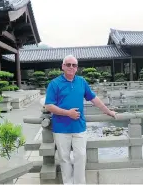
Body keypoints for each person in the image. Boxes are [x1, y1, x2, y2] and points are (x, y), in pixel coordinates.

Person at [44, 55, 117, 184]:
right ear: (63, 66)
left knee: (81, 157)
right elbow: (49, 105)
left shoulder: (81, 82)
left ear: (77, 68)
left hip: (79, 127)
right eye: (68, 64)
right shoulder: (54, 83)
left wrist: (109, 111)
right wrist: (68, 113)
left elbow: (94, 99)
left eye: (74, 65)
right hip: (61, 128)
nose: (71, 67)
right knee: (64, 158)